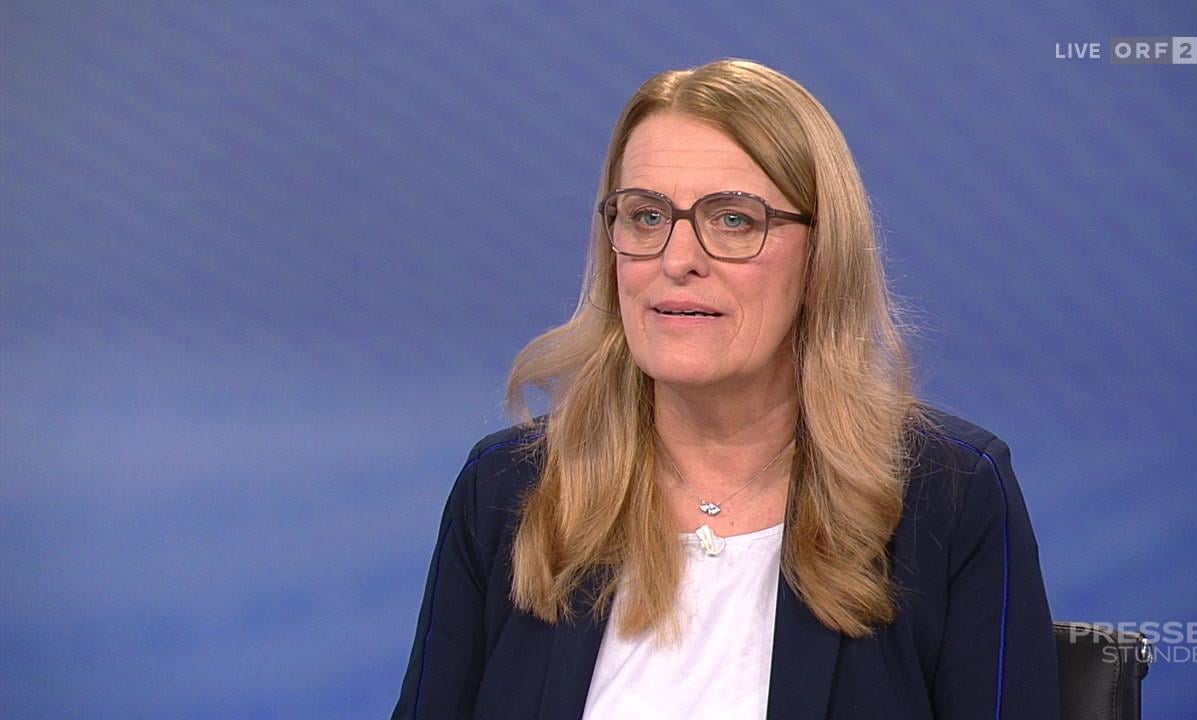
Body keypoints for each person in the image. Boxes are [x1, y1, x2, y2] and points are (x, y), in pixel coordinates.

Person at [391, 59, 1059, 719]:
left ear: (820, 256)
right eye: (646, 216)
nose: (677, 260)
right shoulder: (509, 490)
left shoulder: (950, 496)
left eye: (734, 220)